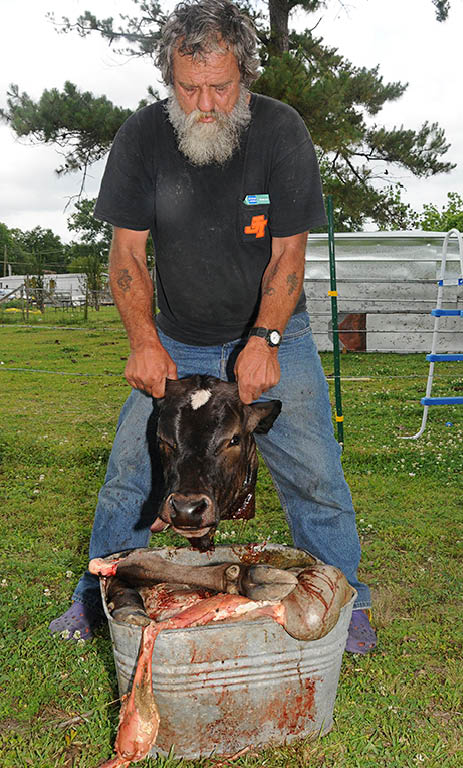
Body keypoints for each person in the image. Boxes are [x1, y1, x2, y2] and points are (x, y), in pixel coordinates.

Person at [49, 0, 376, 653]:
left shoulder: (281, 134)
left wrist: (265, 340)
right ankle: (100, 596)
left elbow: (287, 257)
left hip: (276, 327)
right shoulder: (142, 138)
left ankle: (347, 603)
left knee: (315, 472)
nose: (203, 103)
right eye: (186, 87)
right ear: (168, 78)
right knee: (129, 471)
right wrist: (143, 340)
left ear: (245, 76)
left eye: (220, 87)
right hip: (175, 334)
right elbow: (125, 254)